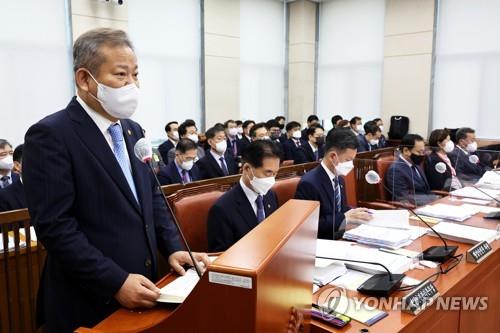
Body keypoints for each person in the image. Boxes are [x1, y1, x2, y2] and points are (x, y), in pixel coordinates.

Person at [22, 28, 209, 333]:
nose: (132, 85)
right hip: (89, 299)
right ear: (85, 79)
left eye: (135, 74)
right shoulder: (51, 135)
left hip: (144, 287)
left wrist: (173, 247)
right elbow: (55, 227)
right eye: (121, 75)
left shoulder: (132, 129)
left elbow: (151, 197)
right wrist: (114, 281)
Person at [295, 128, 372, 239]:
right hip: (321, 242)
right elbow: (308, 225)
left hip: (340, 235)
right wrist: (345, 217)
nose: (351, 165)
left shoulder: (339, 178)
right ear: (332, 156)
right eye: (347, 160)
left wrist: (355, 212)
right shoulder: (309, 183)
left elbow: (340, 209)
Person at [207, 140, 281, 252]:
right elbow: (221, 255)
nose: (272, 180)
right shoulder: (222, 208)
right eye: (268, 173)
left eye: (275, 174)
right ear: (247, 169)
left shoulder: (270, 195)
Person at [385, 134, 437, 206]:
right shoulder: (396, 170)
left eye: (423, 152)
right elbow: (403, 197)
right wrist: (433, 200)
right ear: (406, 150)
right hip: (412, 208)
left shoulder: (415, 164)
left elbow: (426, 189)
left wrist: (437, 199)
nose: (422, 155)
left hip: (428, 204)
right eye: (419, 152)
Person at [0, 144, 27, 212]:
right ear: (17, 165)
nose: (8, 157)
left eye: (11, 153)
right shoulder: (4, 195)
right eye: (3, 154)